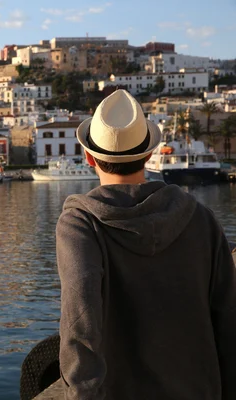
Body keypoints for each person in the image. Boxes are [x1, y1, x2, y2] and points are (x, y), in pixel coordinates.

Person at [56, 89, 236, 399]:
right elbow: (229, 320)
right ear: (149, 154)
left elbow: (79, 326)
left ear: (89, 157)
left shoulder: (80, 225)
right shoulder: (202, 220)